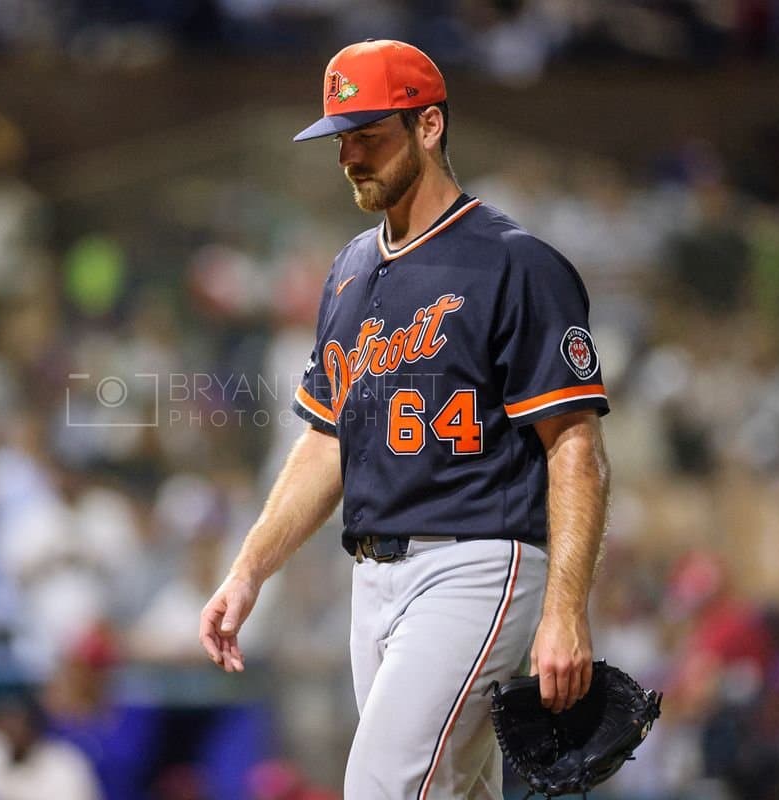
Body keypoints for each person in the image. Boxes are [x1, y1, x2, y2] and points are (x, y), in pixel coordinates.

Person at [199, 39, 611, 800]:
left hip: (478, 560)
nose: (352, 154)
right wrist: (249, 569)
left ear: (428, 126)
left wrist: (565, 612)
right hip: (374, 576)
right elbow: (328, 442)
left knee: (384, 786)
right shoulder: (350, 270)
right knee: (454, 791)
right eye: (342, 138)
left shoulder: (517, 264)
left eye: (371, 133)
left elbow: (575, 448)